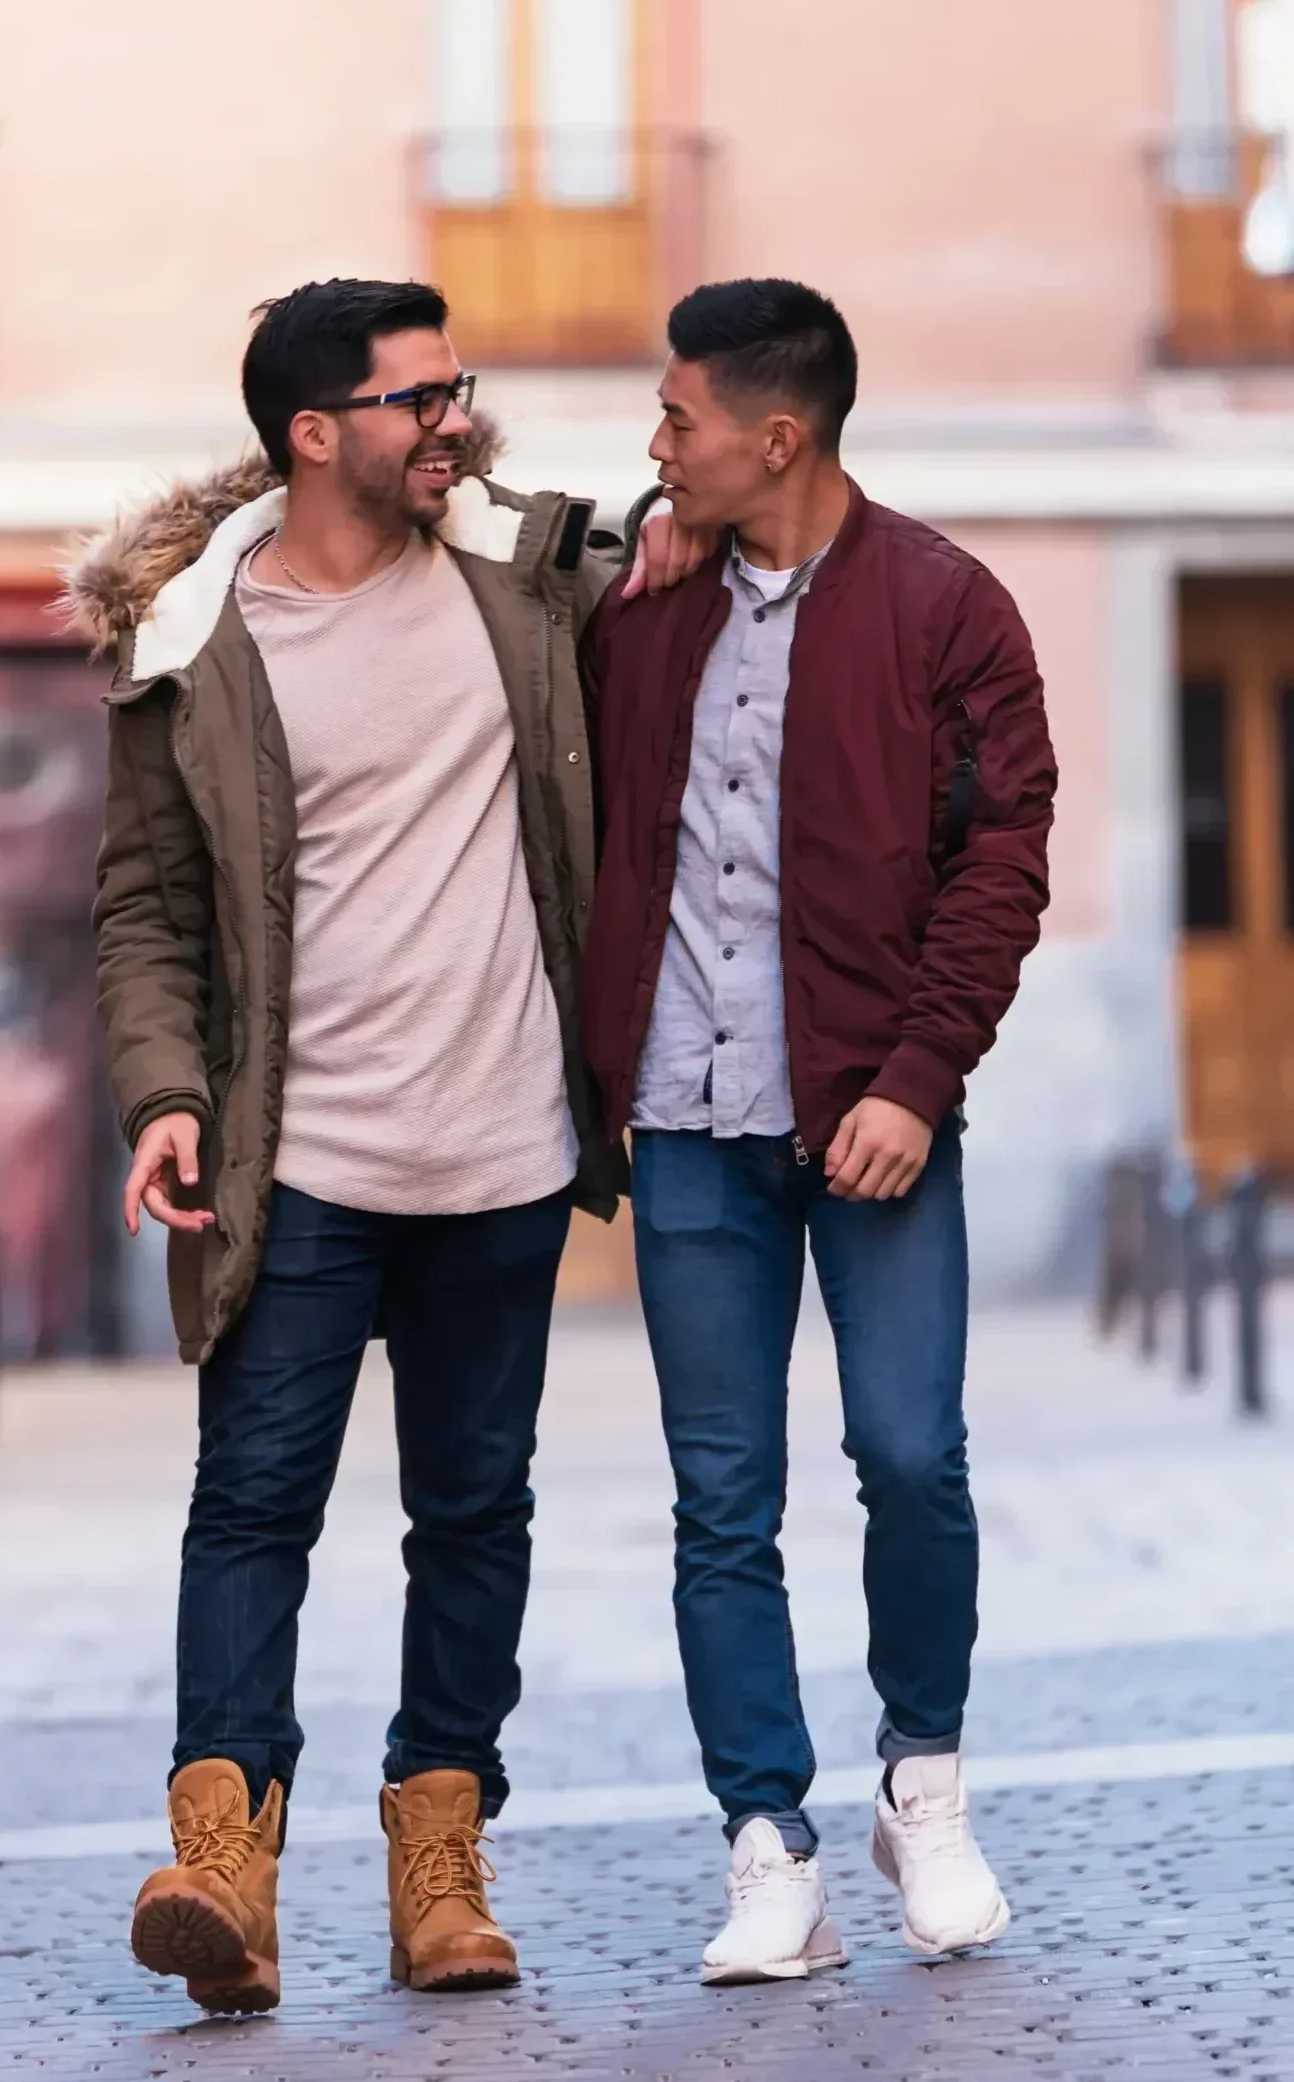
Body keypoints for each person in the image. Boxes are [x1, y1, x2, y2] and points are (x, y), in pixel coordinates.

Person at [74, 278, 699, 2013]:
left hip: (501, 1150)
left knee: (473, 1511)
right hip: (302, 1163)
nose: (453, 417)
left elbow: (684, 560)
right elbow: (142, 909)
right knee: (252, 1504)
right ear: (315, 433)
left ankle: (443, 1862)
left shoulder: (522, 584)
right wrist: (163, 1092)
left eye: (454, 387)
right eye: (417, 396)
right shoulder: (201, 640)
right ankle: (228, 1874)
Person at [580, 278, 1057, 1983]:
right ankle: (766, 1843)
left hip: (877, 1124)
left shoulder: (947, 608)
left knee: (914, 1456)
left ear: (774, 435)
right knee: (723, 1500)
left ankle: (921, 1782)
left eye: (678, 420)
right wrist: (629, 533)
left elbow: (1004, 862)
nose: (657, 443)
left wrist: (917, 1080)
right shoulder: (635, 615)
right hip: (691, 1123)